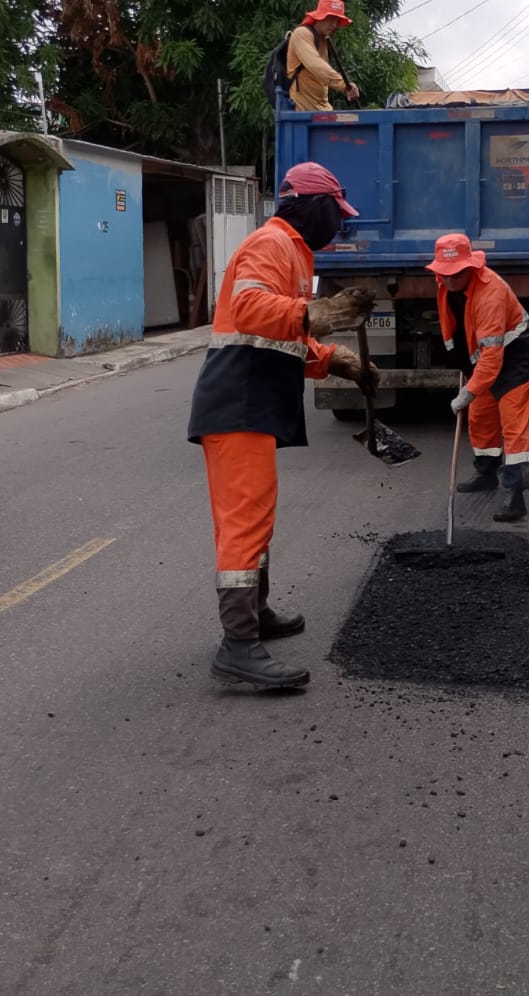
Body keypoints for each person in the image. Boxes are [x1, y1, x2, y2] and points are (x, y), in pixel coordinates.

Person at [187, 161, 376, 689]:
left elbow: (282, 336)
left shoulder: (295, 253)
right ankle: (239, 645)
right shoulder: (271, 244)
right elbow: (250, 309)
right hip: (238, 398)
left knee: (258, 513)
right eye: (335, 213)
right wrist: (317, 314)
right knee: (245, 520)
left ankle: (258, 613)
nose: (338, 224)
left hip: (254, 398)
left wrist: (337, 360)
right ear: (313, 206)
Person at [428, 233, 529, 523]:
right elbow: (455, 327)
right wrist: (462, 362)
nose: (447, 279)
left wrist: (468, 391)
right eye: (443, 272)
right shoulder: (444, 283)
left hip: (515, 356)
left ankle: (516, 496)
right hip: (484, 358)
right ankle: (486, 473)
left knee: (512, 423)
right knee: (480, 417)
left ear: (470, 268)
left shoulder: (491, 293)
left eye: (454, 274)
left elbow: (493, 355)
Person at [287, 0, 361, 112]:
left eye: (337, 21)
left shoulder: (324, 41)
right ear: (320, 17)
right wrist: (344, 85)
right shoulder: (302, 34)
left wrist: (347, 86)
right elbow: (316, 66)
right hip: (302, 113)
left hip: (322, 110)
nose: (334, 25)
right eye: (331, 19)